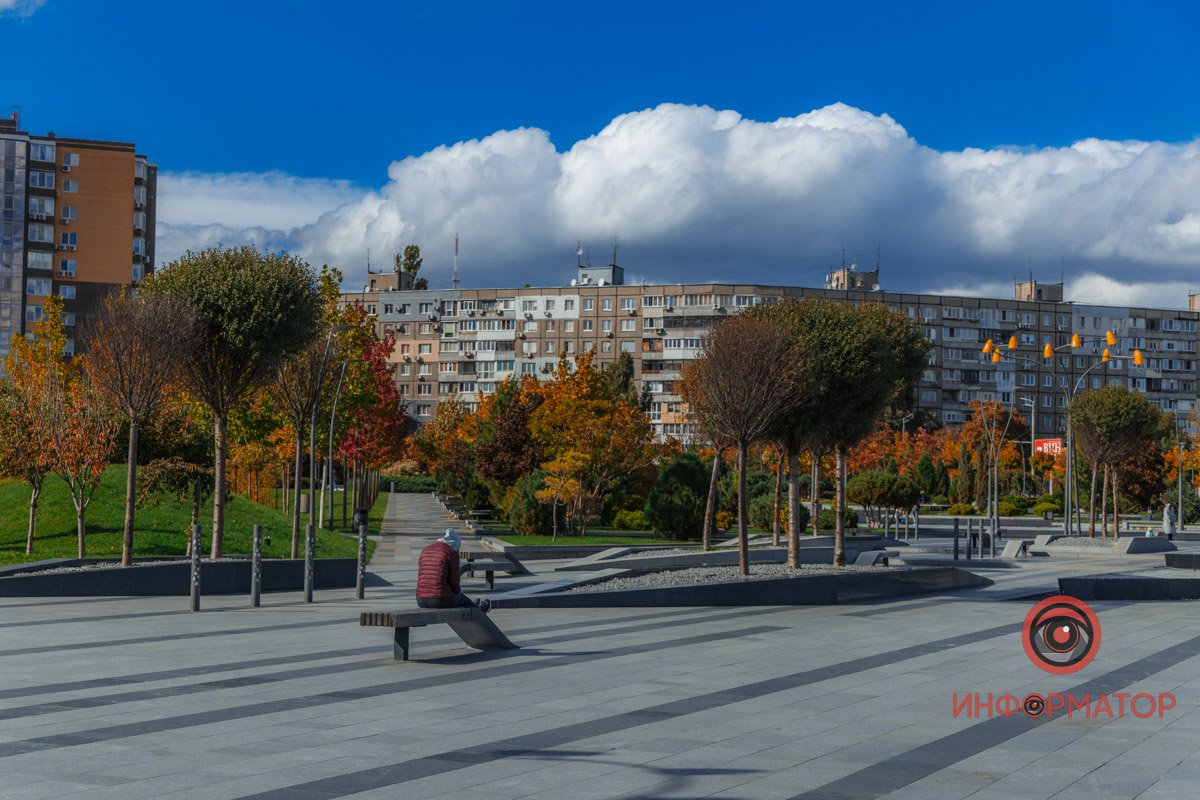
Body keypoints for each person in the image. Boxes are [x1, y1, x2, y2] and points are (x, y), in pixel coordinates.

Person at [415, 529, 490, 612]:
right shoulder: (451, 553)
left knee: (460, 599)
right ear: (455, 544)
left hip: (420, 599)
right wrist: (457, 594)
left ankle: (473, 605)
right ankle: (479, 610)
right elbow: (454, 583)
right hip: (440, 599)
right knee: (460, 598)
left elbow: (421, 576)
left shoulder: (425, 550)